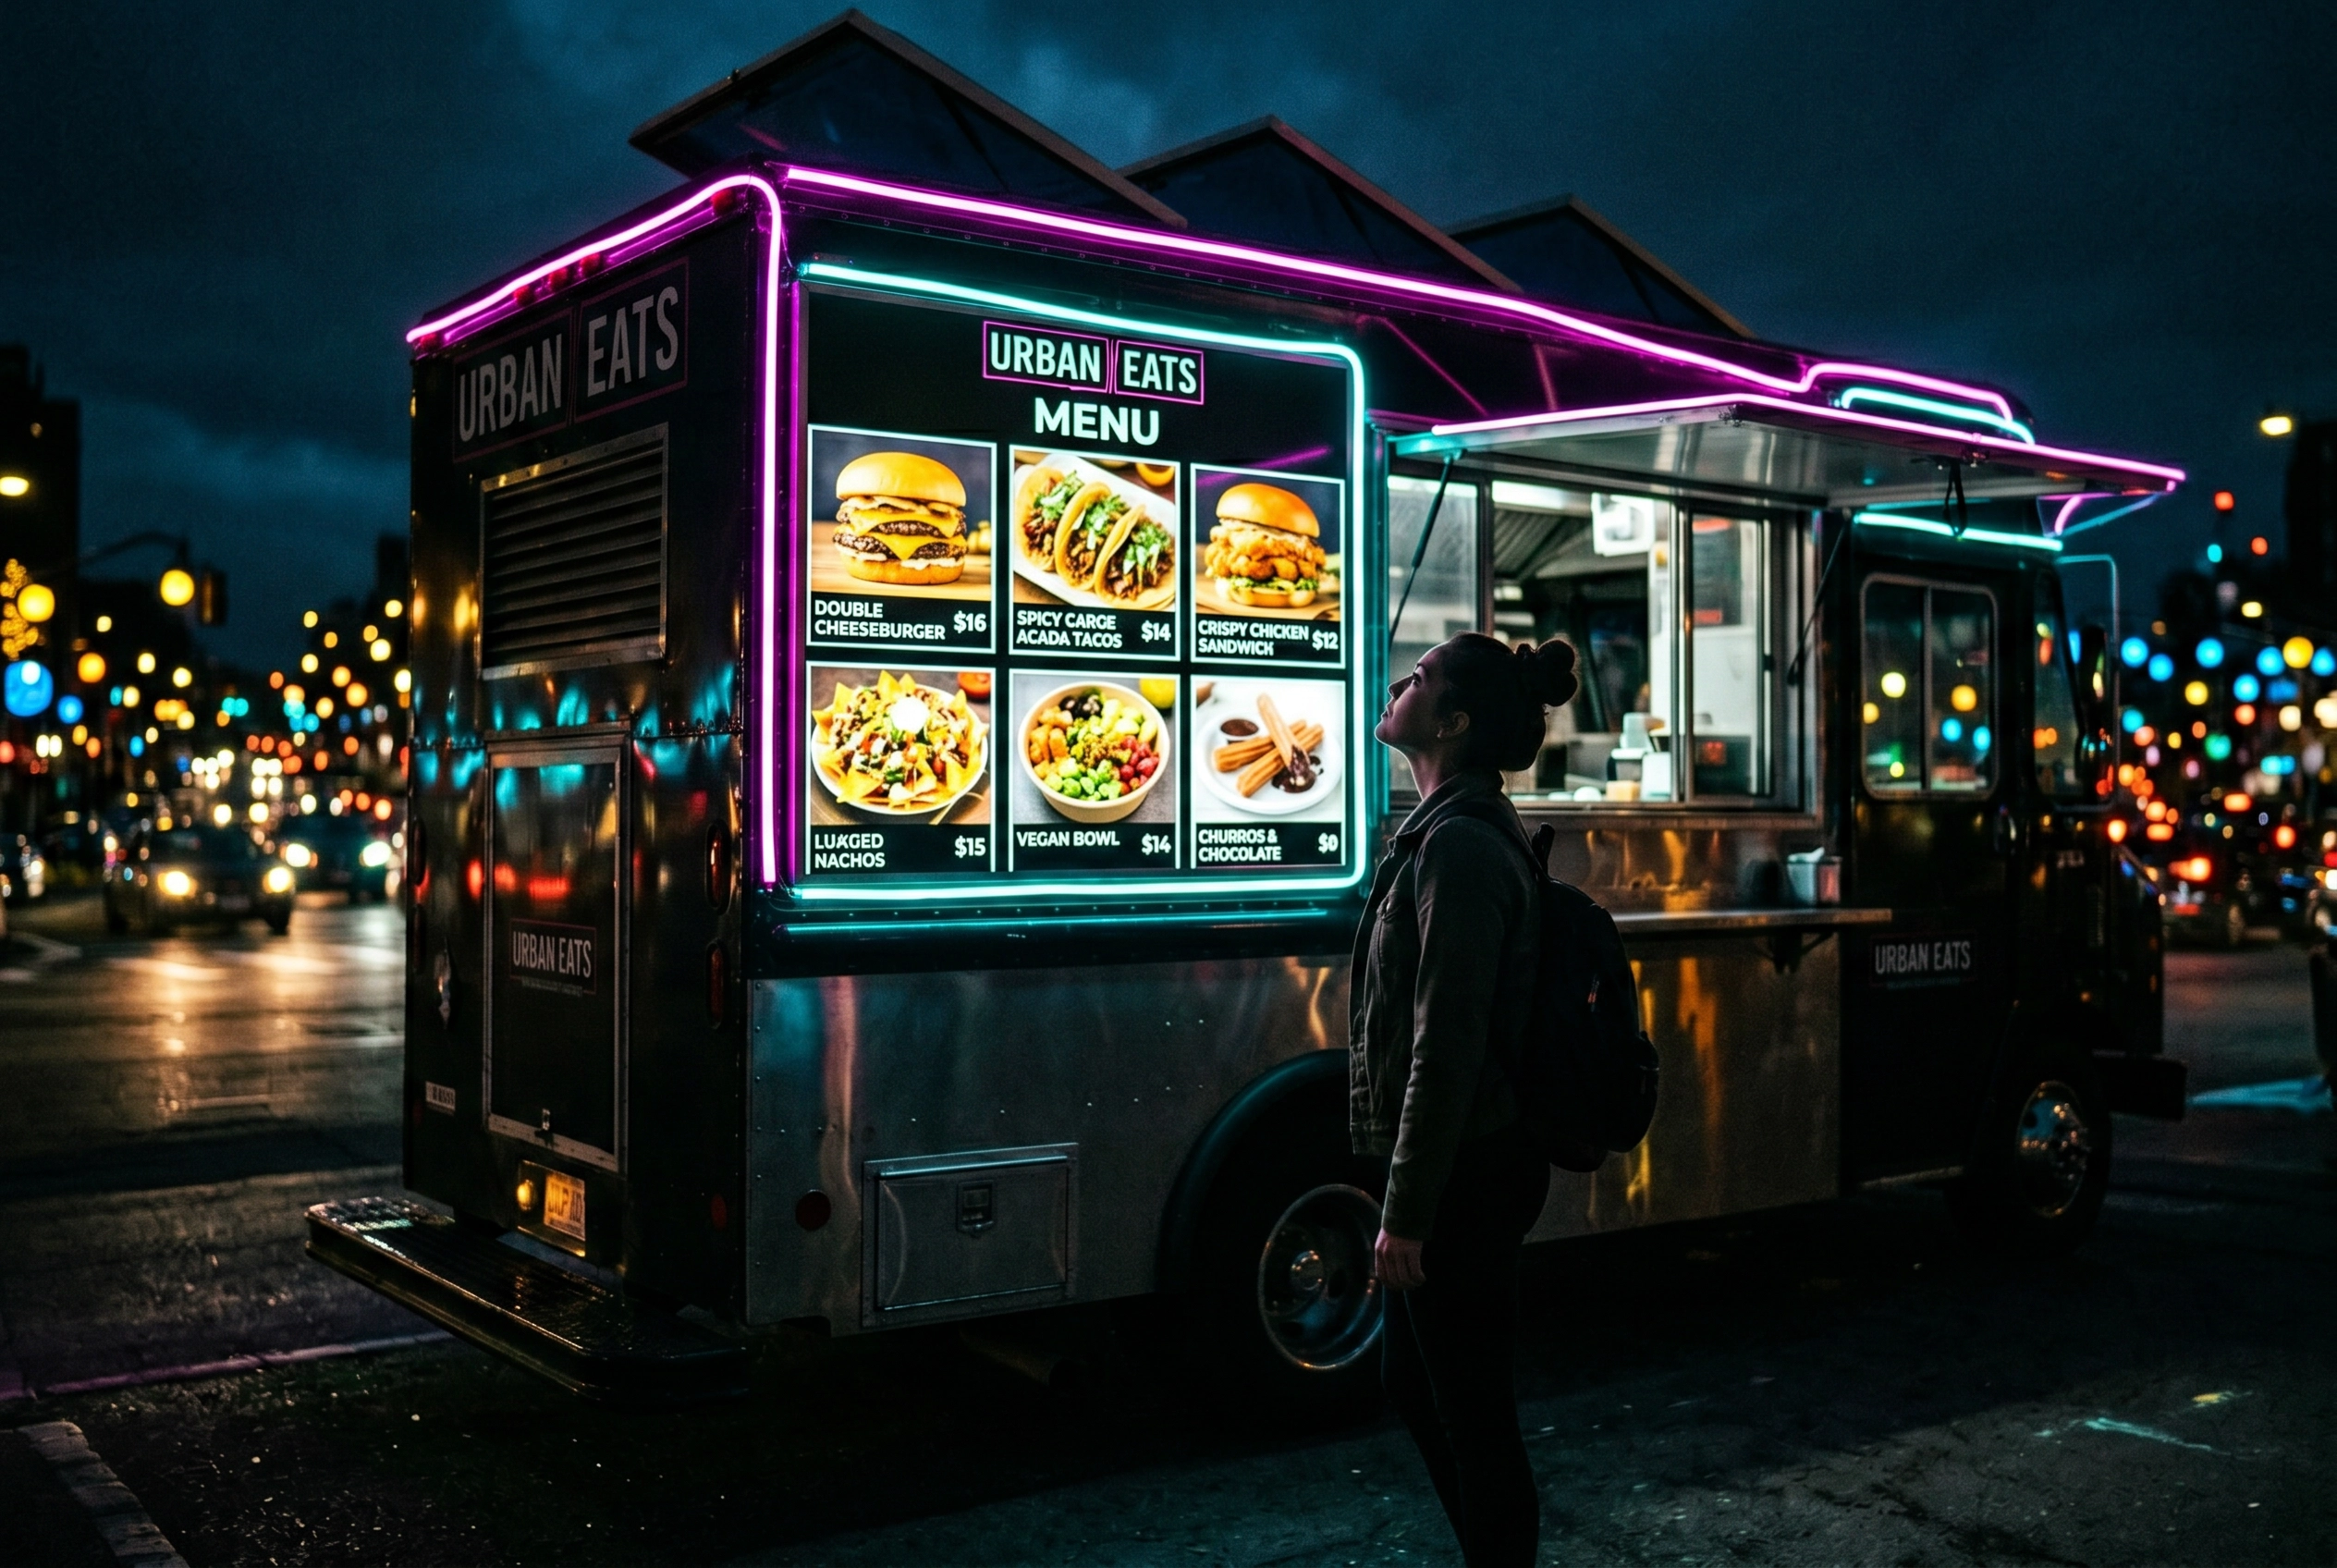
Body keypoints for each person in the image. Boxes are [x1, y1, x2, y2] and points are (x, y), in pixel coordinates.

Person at [1351, 631, 1580, 1568]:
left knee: (1472, 1411)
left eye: (1419, 679)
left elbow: (1443, 1050)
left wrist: (1405, 1215)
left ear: (1448, 721)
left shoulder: (1458, 847)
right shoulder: (1443, 830)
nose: (1399, 684)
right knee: (1416, 1380)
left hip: (1471, 1172)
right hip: (1465, 1164)